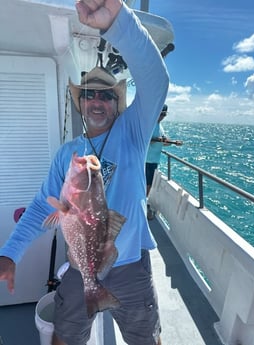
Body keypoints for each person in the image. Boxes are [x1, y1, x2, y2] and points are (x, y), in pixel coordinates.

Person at [0, 1, 169, 344]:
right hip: (81, 267)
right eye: (89, 94)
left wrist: (119, 21)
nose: (97, 101)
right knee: (64, 336)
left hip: (130, 266)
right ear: (81, 102)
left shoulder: (133, 131)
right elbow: (41, 208)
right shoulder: (67, 153)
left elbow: (156, 78)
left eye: (106, 95)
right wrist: (10, 252)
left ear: (116, 103)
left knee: (146, 340)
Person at [145, 104, 172, 220]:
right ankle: (141, 204)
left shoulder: (160, 126)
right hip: (146, 160)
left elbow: (165, 142)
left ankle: (143, 202)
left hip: (154, 160)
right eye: (161, 114)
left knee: (149, 184)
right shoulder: (149, 125)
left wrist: (171, 141)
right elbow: (146, 139)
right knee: (145, 184)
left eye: (164, 115)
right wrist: (158, 140)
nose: (162, 117)